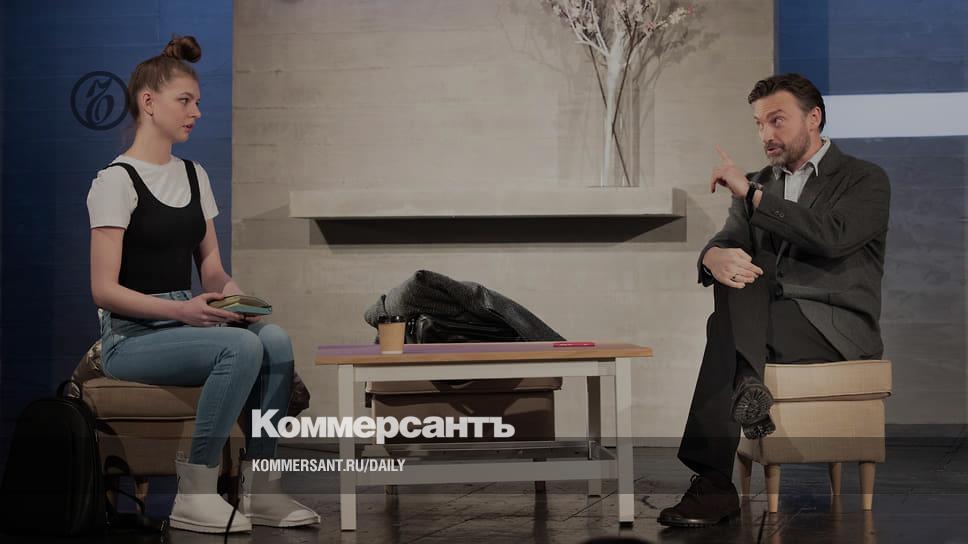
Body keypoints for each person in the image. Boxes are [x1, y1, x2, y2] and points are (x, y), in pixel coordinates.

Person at [87, 36, 319, 534]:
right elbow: (103, 291)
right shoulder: (115, 181)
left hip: (189, 319)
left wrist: (237, 298)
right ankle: (195, 494)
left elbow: (211, 267)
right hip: (132, 336)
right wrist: (183, 311)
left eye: (198, 102)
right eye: (185, 101)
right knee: (239, 347)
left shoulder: (194, 175)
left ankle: (261, 489)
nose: (196, 112)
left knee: (274, 340)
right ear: (149, 102)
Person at [658, 73, 891, 528]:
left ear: (814, 118)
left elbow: (830, 237)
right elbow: (729, 238)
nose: (766, 133)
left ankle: (713, 483)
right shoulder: (758, 182)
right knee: (735, 275)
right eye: (759, 124)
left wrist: (752, 195)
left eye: (777, 120)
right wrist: (713, 256)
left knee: (723, 324)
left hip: (832, 328)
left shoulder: (864, 179)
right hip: (765, 322)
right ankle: (748, 388)